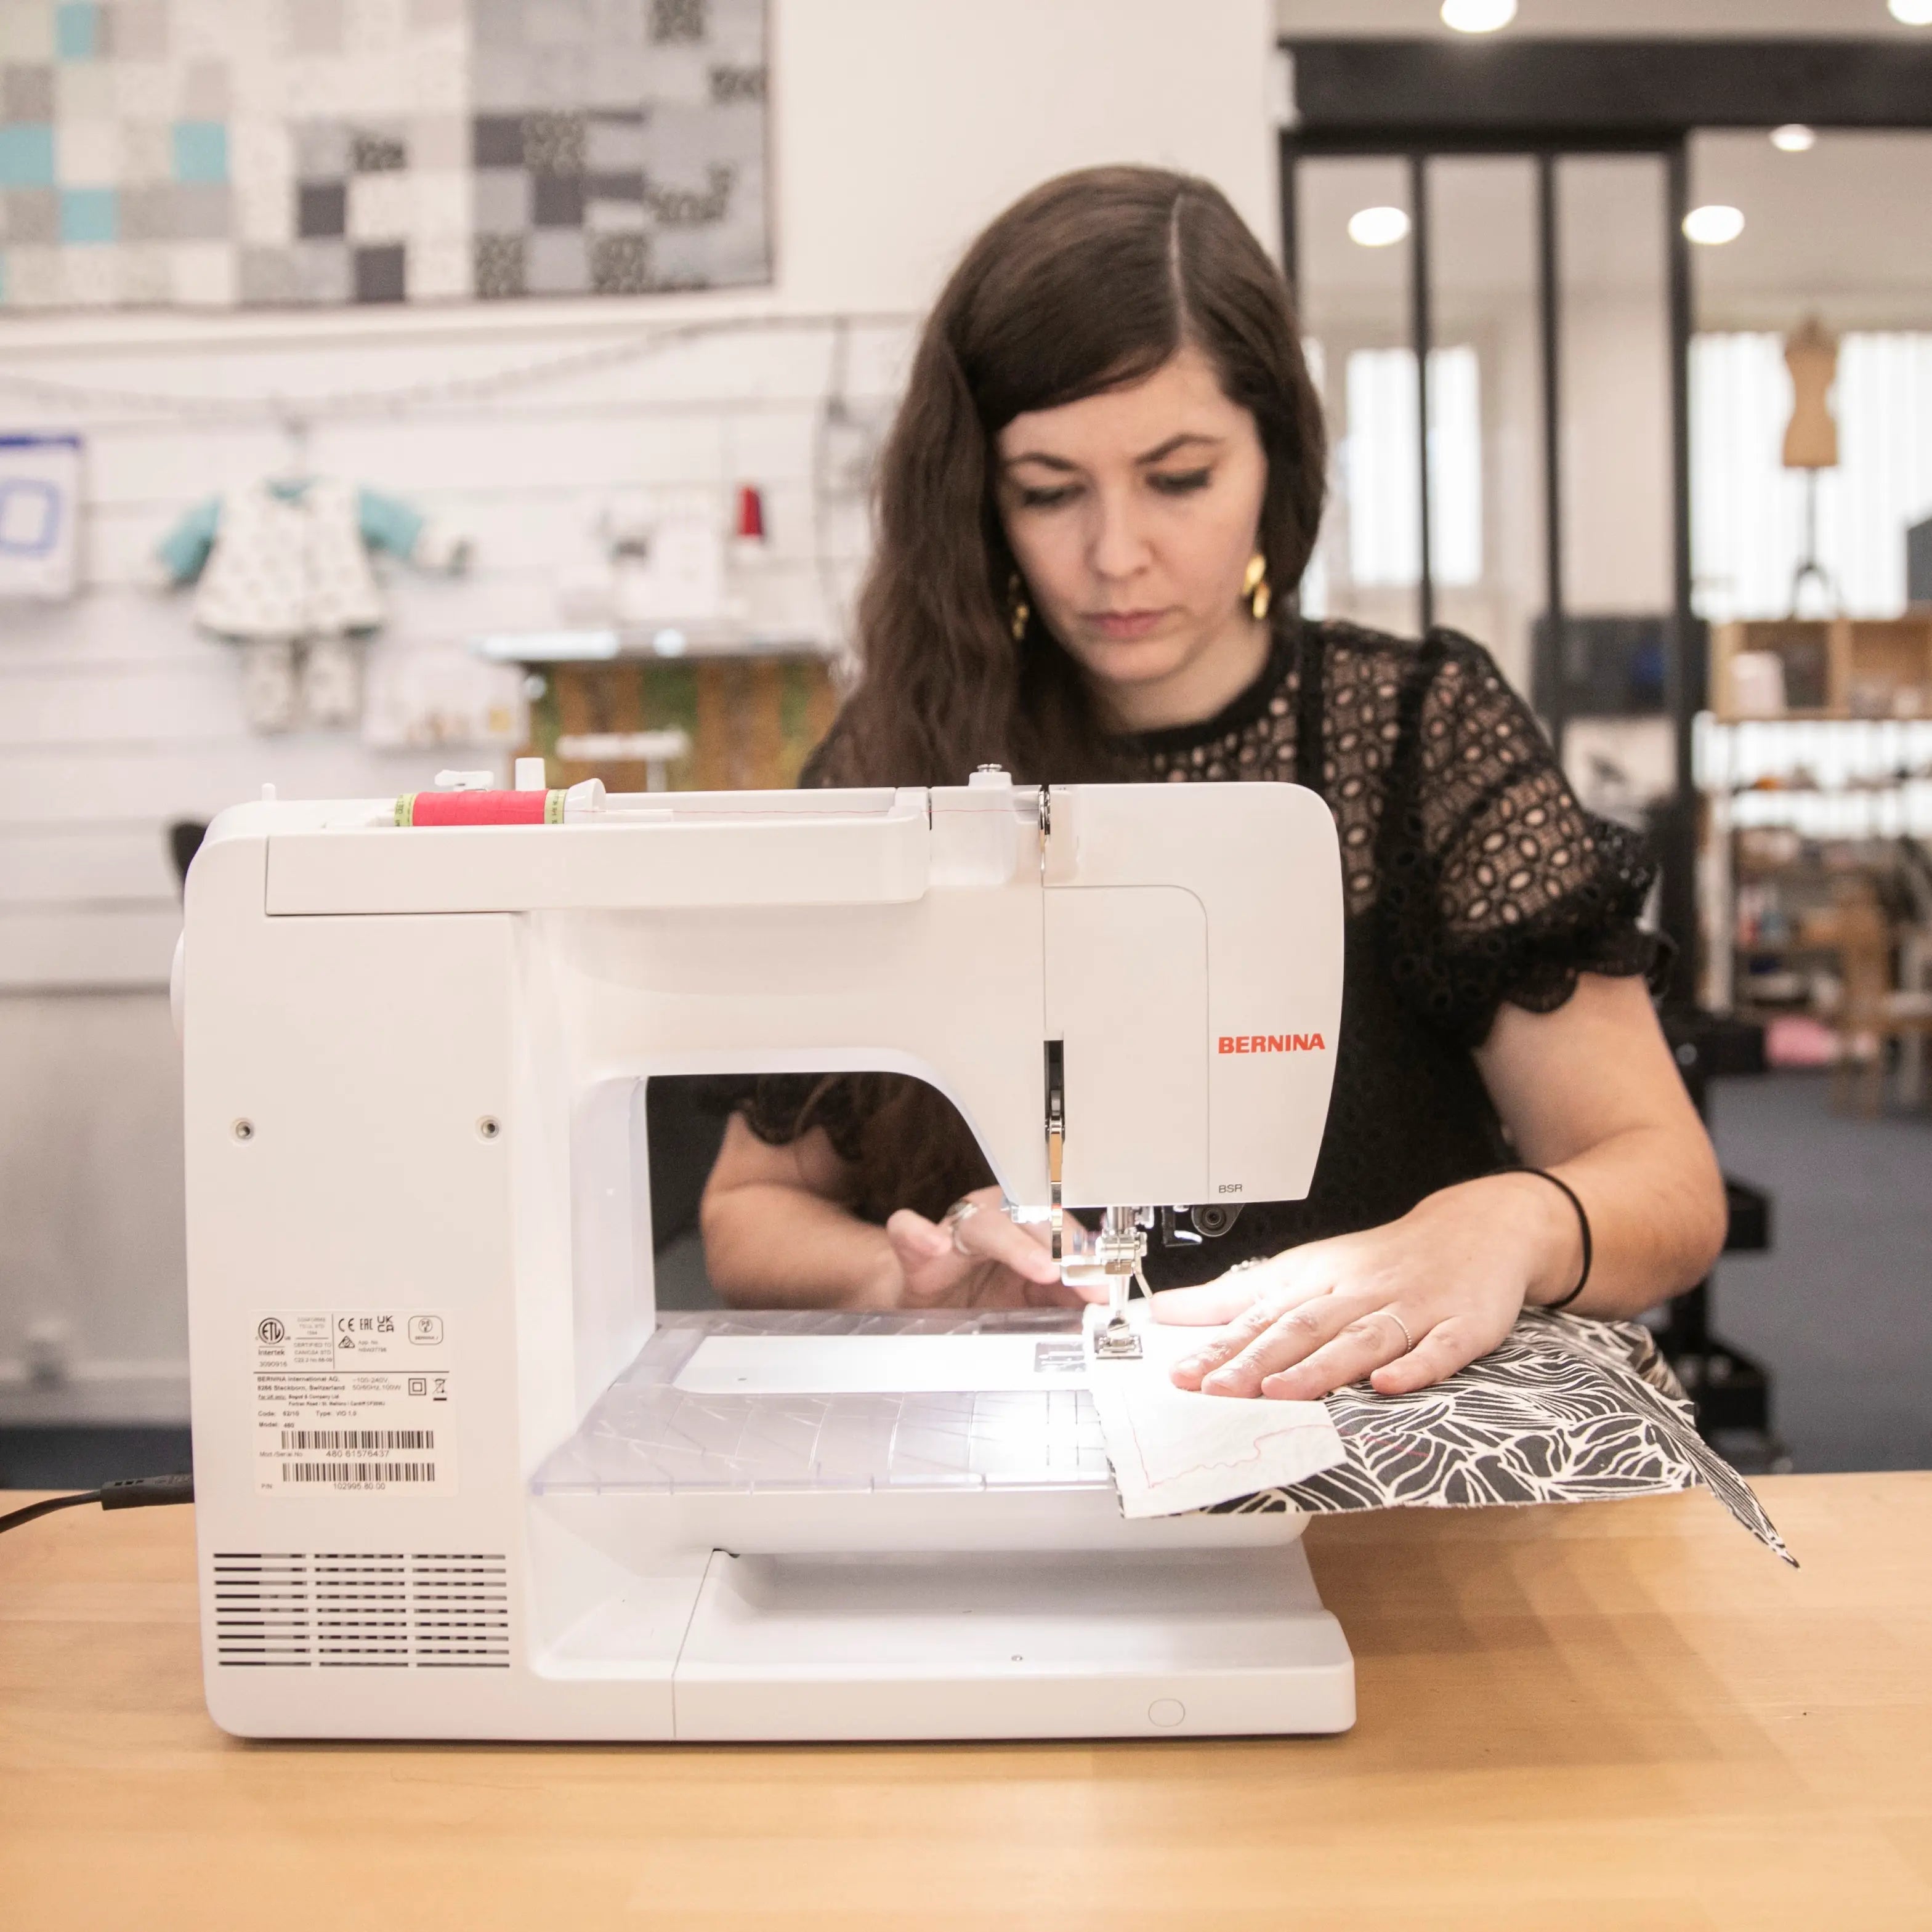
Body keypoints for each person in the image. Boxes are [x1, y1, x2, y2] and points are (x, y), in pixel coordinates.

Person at [698, 165, 1726, 1405]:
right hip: (1021, 1445)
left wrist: (1500, 1223)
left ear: (1274, 458)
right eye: (1047, 491)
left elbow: (1667, 1185)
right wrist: (898, 1276)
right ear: (980, 498)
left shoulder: (1414, 734)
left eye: (1179, 478)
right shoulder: (903, 755)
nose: (1115, 554)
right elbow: (751, 1206)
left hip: (1383, 1457)